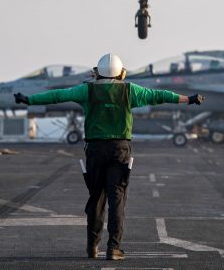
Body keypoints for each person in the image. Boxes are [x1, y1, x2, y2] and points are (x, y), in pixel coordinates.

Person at [14, 53, 204, 261]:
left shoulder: (86, 90)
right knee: (117, 199)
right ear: (122, 73)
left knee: (96, 198)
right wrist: (188, 100)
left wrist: (29, 100)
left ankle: (92, 247)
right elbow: (159, 95)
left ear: (97, 72)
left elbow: (58, 95)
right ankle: (114, 248)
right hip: (120, 149)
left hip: (95, 150)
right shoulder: (130, 90)